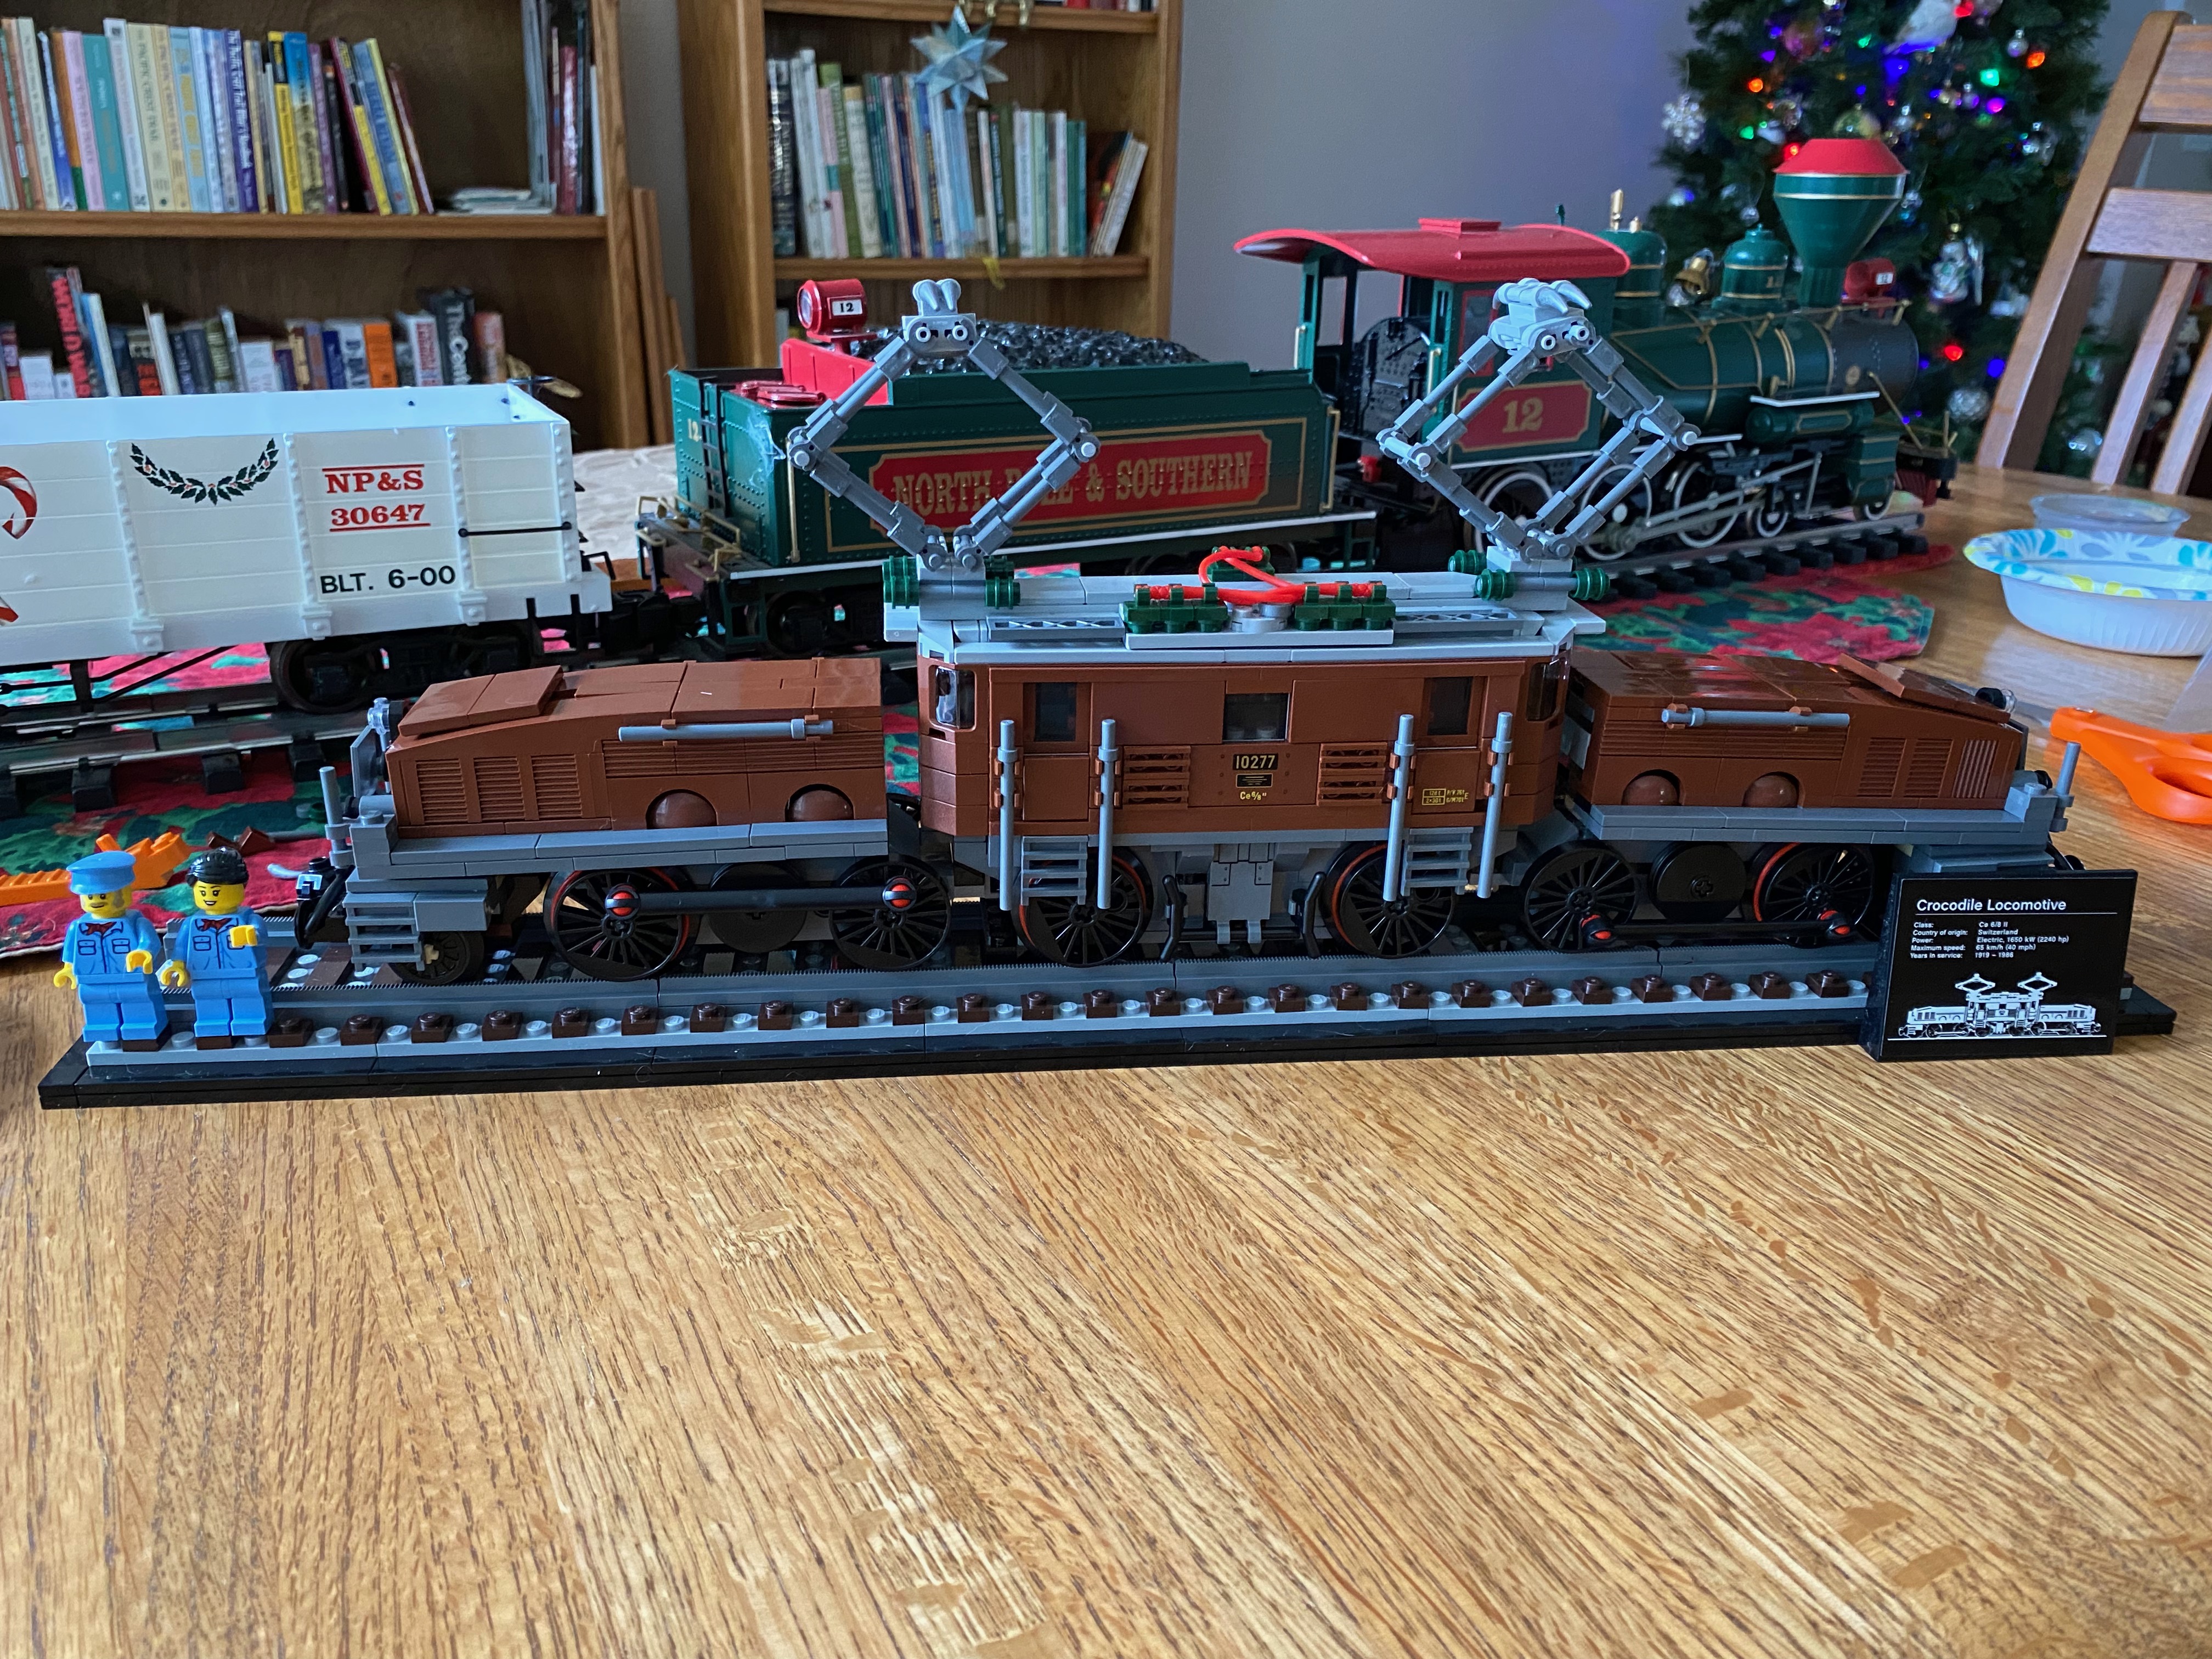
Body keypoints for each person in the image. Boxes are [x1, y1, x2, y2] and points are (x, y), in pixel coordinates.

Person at [54, 848, 167, 1048]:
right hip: (92, 980)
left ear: (125, 893)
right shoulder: (78, 927)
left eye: (103, 895)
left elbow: (150, 942)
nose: (96, 901)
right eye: (90, 896)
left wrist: (143, 952)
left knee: (138, 1007)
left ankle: (142, 1037)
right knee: (98, 1010)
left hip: (131, 979)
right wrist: (68, 969)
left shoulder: (136, 922)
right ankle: (107, 1039)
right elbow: (71, 953)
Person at [159, 847, 271, 1047]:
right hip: (204, 976)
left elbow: (260, 934)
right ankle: (214, 1031)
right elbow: (181, 949)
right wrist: (177, 966)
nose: (209, 896)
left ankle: (252, 1032)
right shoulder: (191, 924)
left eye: (216, 891)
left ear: (240, 887)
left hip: (243, 974)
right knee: (209, 1005)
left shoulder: (248, 919)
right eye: (203, 891)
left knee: (248, 1002)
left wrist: (251, 935)